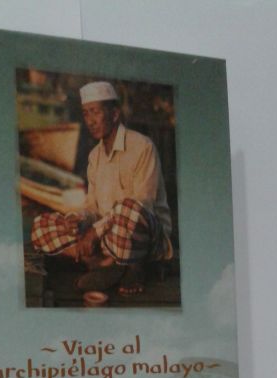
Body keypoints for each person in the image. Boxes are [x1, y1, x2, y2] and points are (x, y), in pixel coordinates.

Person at [31, 81, 173, 296]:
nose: (90, 121)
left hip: (144, 241)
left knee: (128, 208)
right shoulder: (94, 157)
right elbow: (93, 207)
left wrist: (95, 232)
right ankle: (106, 264)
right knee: (40, 226)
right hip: (109, 238)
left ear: (114, 114)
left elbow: (143, 205)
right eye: (86, 113)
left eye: (95, 112)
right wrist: (79, 220)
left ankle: (133, 267)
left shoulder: (143, 146)